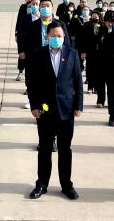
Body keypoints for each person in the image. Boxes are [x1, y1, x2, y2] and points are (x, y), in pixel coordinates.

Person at [27, 22, 83, 200]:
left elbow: (78, 82)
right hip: (45, 109)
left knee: (65, 149)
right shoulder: (38, 54)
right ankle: (42, 184)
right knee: (44, 148)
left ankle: (66, 185)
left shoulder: (72, 54)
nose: (56, 38)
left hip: (66, 109)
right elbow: (32, 82)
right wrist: (34, 106)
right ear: (47, 36)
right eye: (53, 35)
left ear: (64, 37)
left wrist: (78, 105)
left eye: (59, 36)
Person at [14, 0, 35, 81]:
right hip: (24, 37)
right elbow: (19, 20)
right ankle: (20, 71)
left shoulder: (38, 13)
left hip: (34, 40)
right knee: (22, 57)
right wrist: (16, 33)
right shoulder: (23, 7)